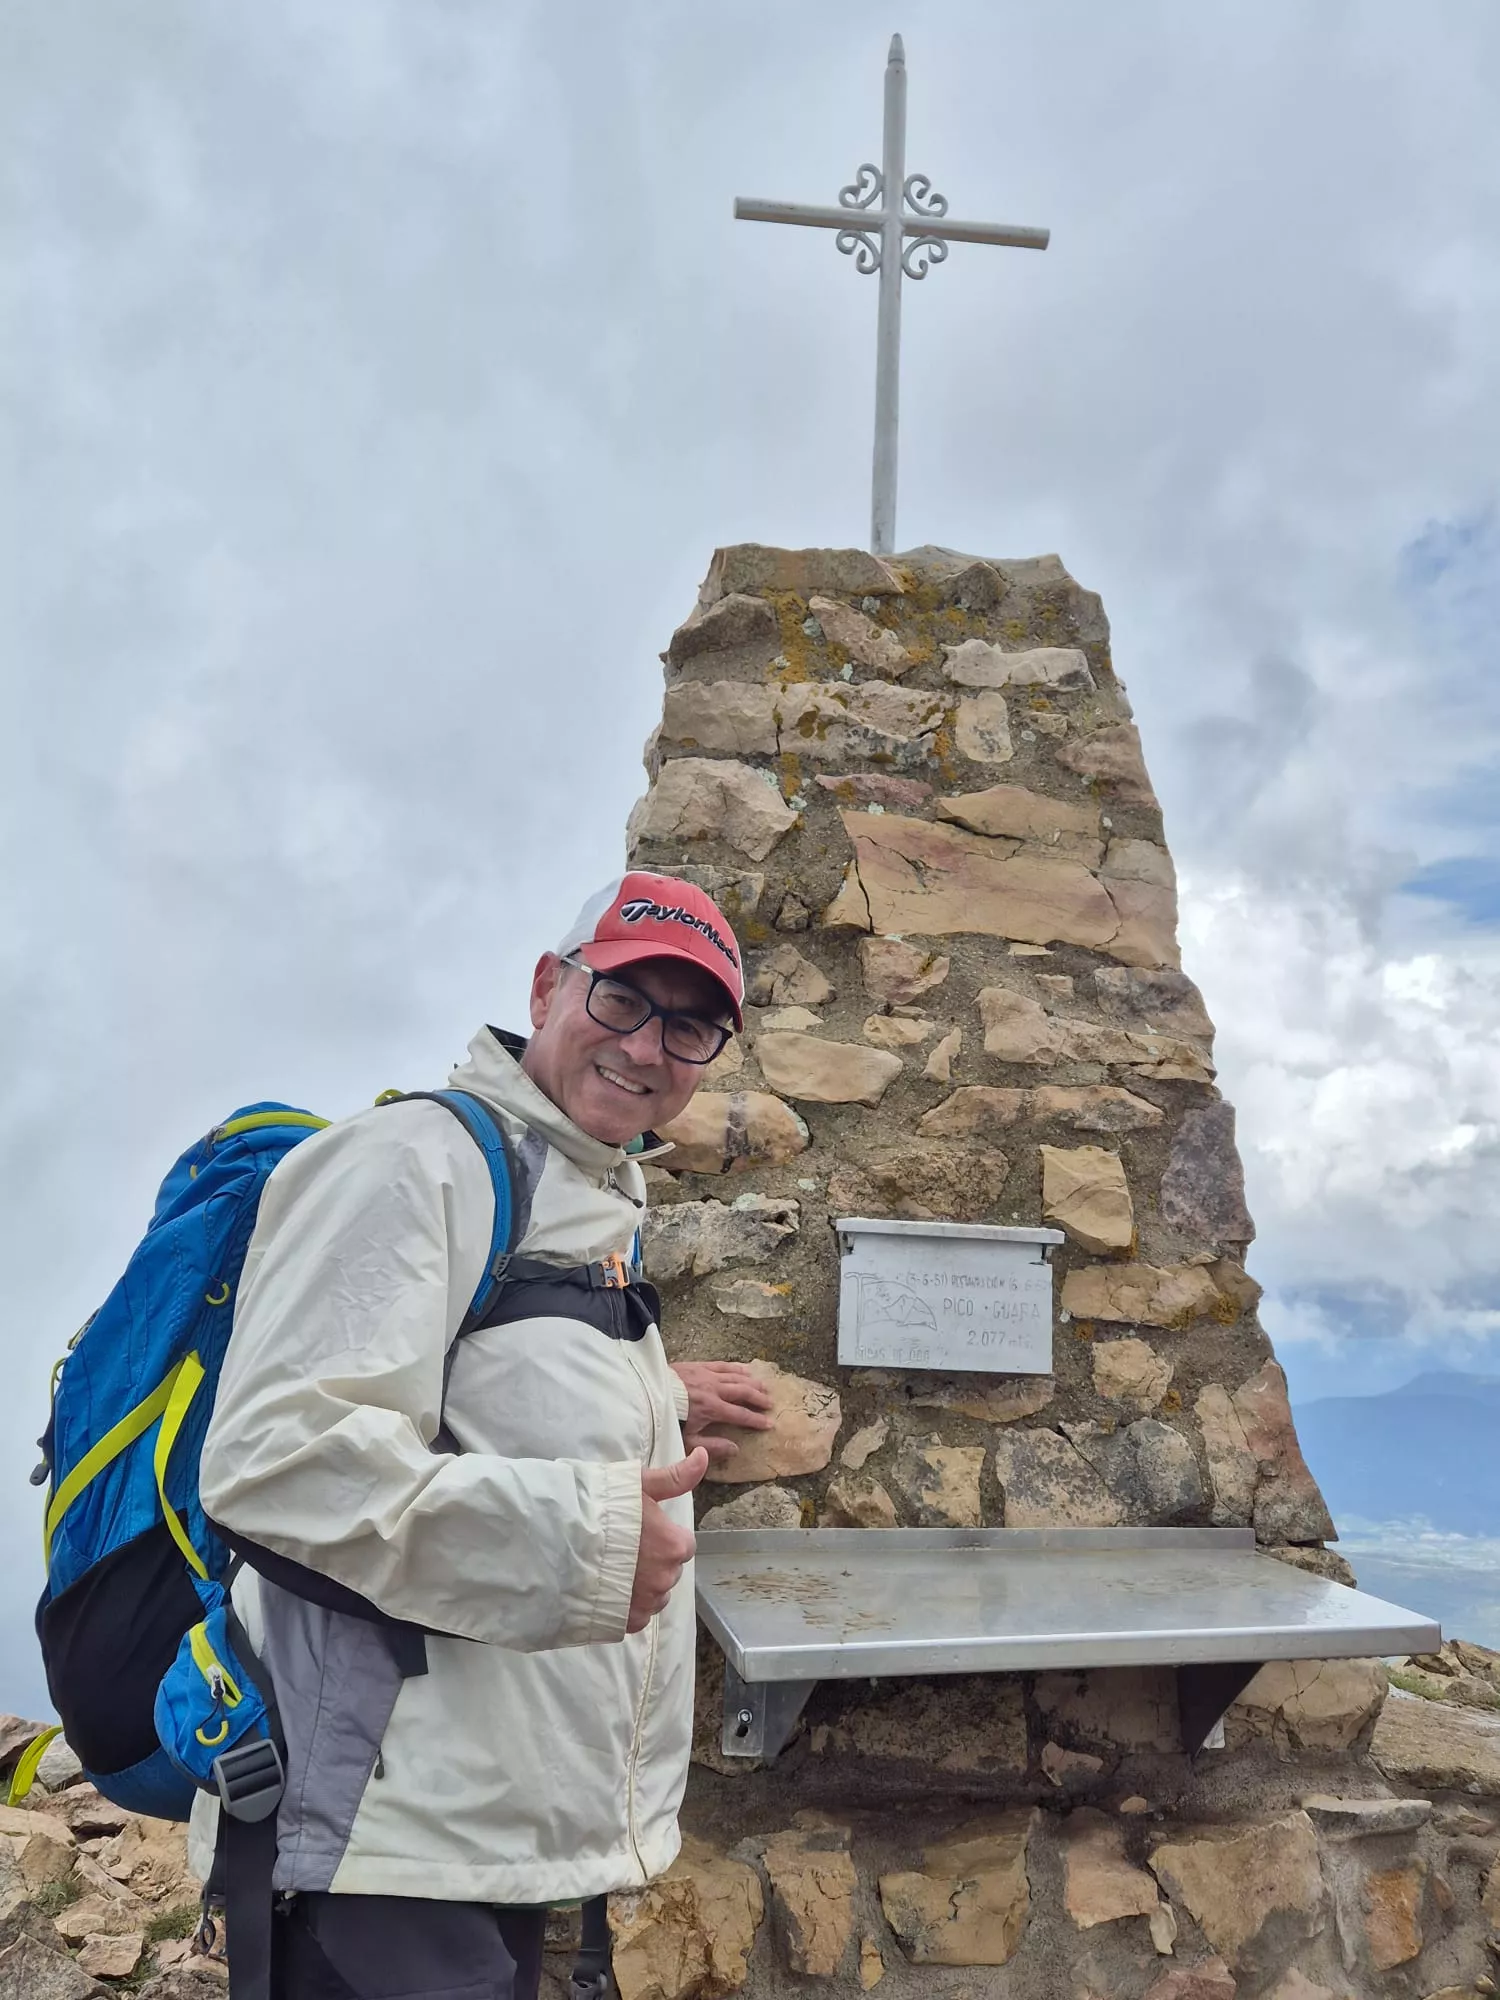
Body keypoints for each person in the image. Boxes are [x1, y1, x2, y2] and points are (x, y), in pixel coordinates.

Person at [196, 871, 776, 2000]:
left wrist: (657, 1394)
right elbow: (277, 1460)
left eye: (691, 1025)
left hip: (477, 1833)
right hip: (371, 1846)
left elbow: (478, 1389)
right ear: (550, 986)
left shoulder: (577, 1196)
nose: (650, 1046)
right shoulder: (415, 1160)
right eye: (623, 999)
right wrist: (593, 1542)